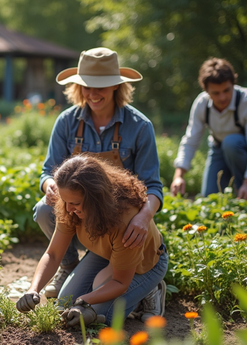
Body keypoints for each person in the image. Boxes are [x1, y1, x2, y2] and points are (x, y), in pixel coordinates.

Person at [33, 47, 165, 319]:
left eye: (101, 87)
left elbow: (152, 185)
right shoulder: (67, 122)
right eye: (86, 86)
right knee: (46, 209)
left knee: (97, 307)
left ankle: (147, 289)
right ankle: (70, 267)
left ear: (118, 86)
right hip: (89, 216)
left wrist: (142, 218)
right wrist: (53, 188)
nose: (93, 93)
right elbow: (48, 170)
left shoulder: (139, 126)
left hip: (122, 220)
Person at [17, 154, 169, 327]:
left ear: (96, 198)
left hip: (145, 265)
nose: (68, 208)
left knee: (98, 316)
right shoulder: (69, 205)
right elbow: (53, 255)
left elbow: (120, 282)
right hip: (107, 255)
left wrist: (84, 301)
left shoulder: (124, 220)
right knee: (65, 305)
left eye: (74, 203)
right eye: (65, 201)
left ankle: (149, 291)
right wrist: (33, 289)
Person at [171, 57, 247, 200]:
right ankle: (240, 193)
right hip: (218, 149)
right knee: (210, 198)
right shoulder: (201, 104)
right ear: (206, 91)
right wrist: (178, 176)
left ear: (233, 84)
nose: (222, 97)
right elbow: (191, 140)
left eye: (226, 90)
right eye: (215, 93)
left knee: (231, 142)